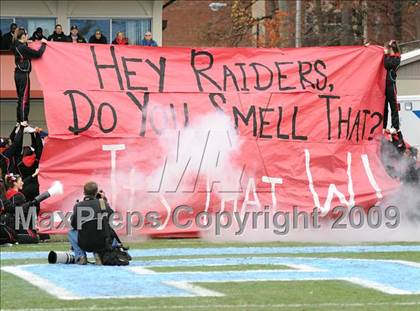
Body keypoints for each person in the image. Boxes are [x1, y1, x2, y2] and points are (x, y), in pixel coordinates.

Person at [68, 182, 121, 265]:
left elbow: (74, 225)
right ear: (96, 192)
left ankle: (81, 256)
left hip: (84, 243)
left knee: (71, 232)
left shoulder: (78, 206)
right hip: (102, 243)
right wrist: (104, 200)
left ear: (84, 193)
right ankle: (98, 254)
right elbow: (110, 218)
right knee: (105, 230)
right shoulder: (102, 204)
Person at [12, 27, 47, 124]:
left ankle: (19, 120)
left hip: (17, 74)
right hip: (23, 75)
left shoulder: (16, 45)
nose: (28, 36)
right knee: (24, 99)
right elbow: (38, 54)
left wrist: (30, 42)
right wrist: (44, 44)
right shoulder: (22, 47)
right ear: (23, 36)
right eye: (26, 35)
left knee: (20, 98)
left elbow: (25, 47)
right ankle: (24, 121)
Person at [383, 40, 403, 147]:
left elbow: (387, 64)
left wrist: (386, 54)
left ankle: (395, 126)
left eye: (390, 48)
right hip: (384, 85)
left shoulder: (397, 58)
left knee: (393, 106)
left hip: (391, 85)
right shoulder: (389, 56)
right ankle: (383, 125)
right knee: (384, 107)